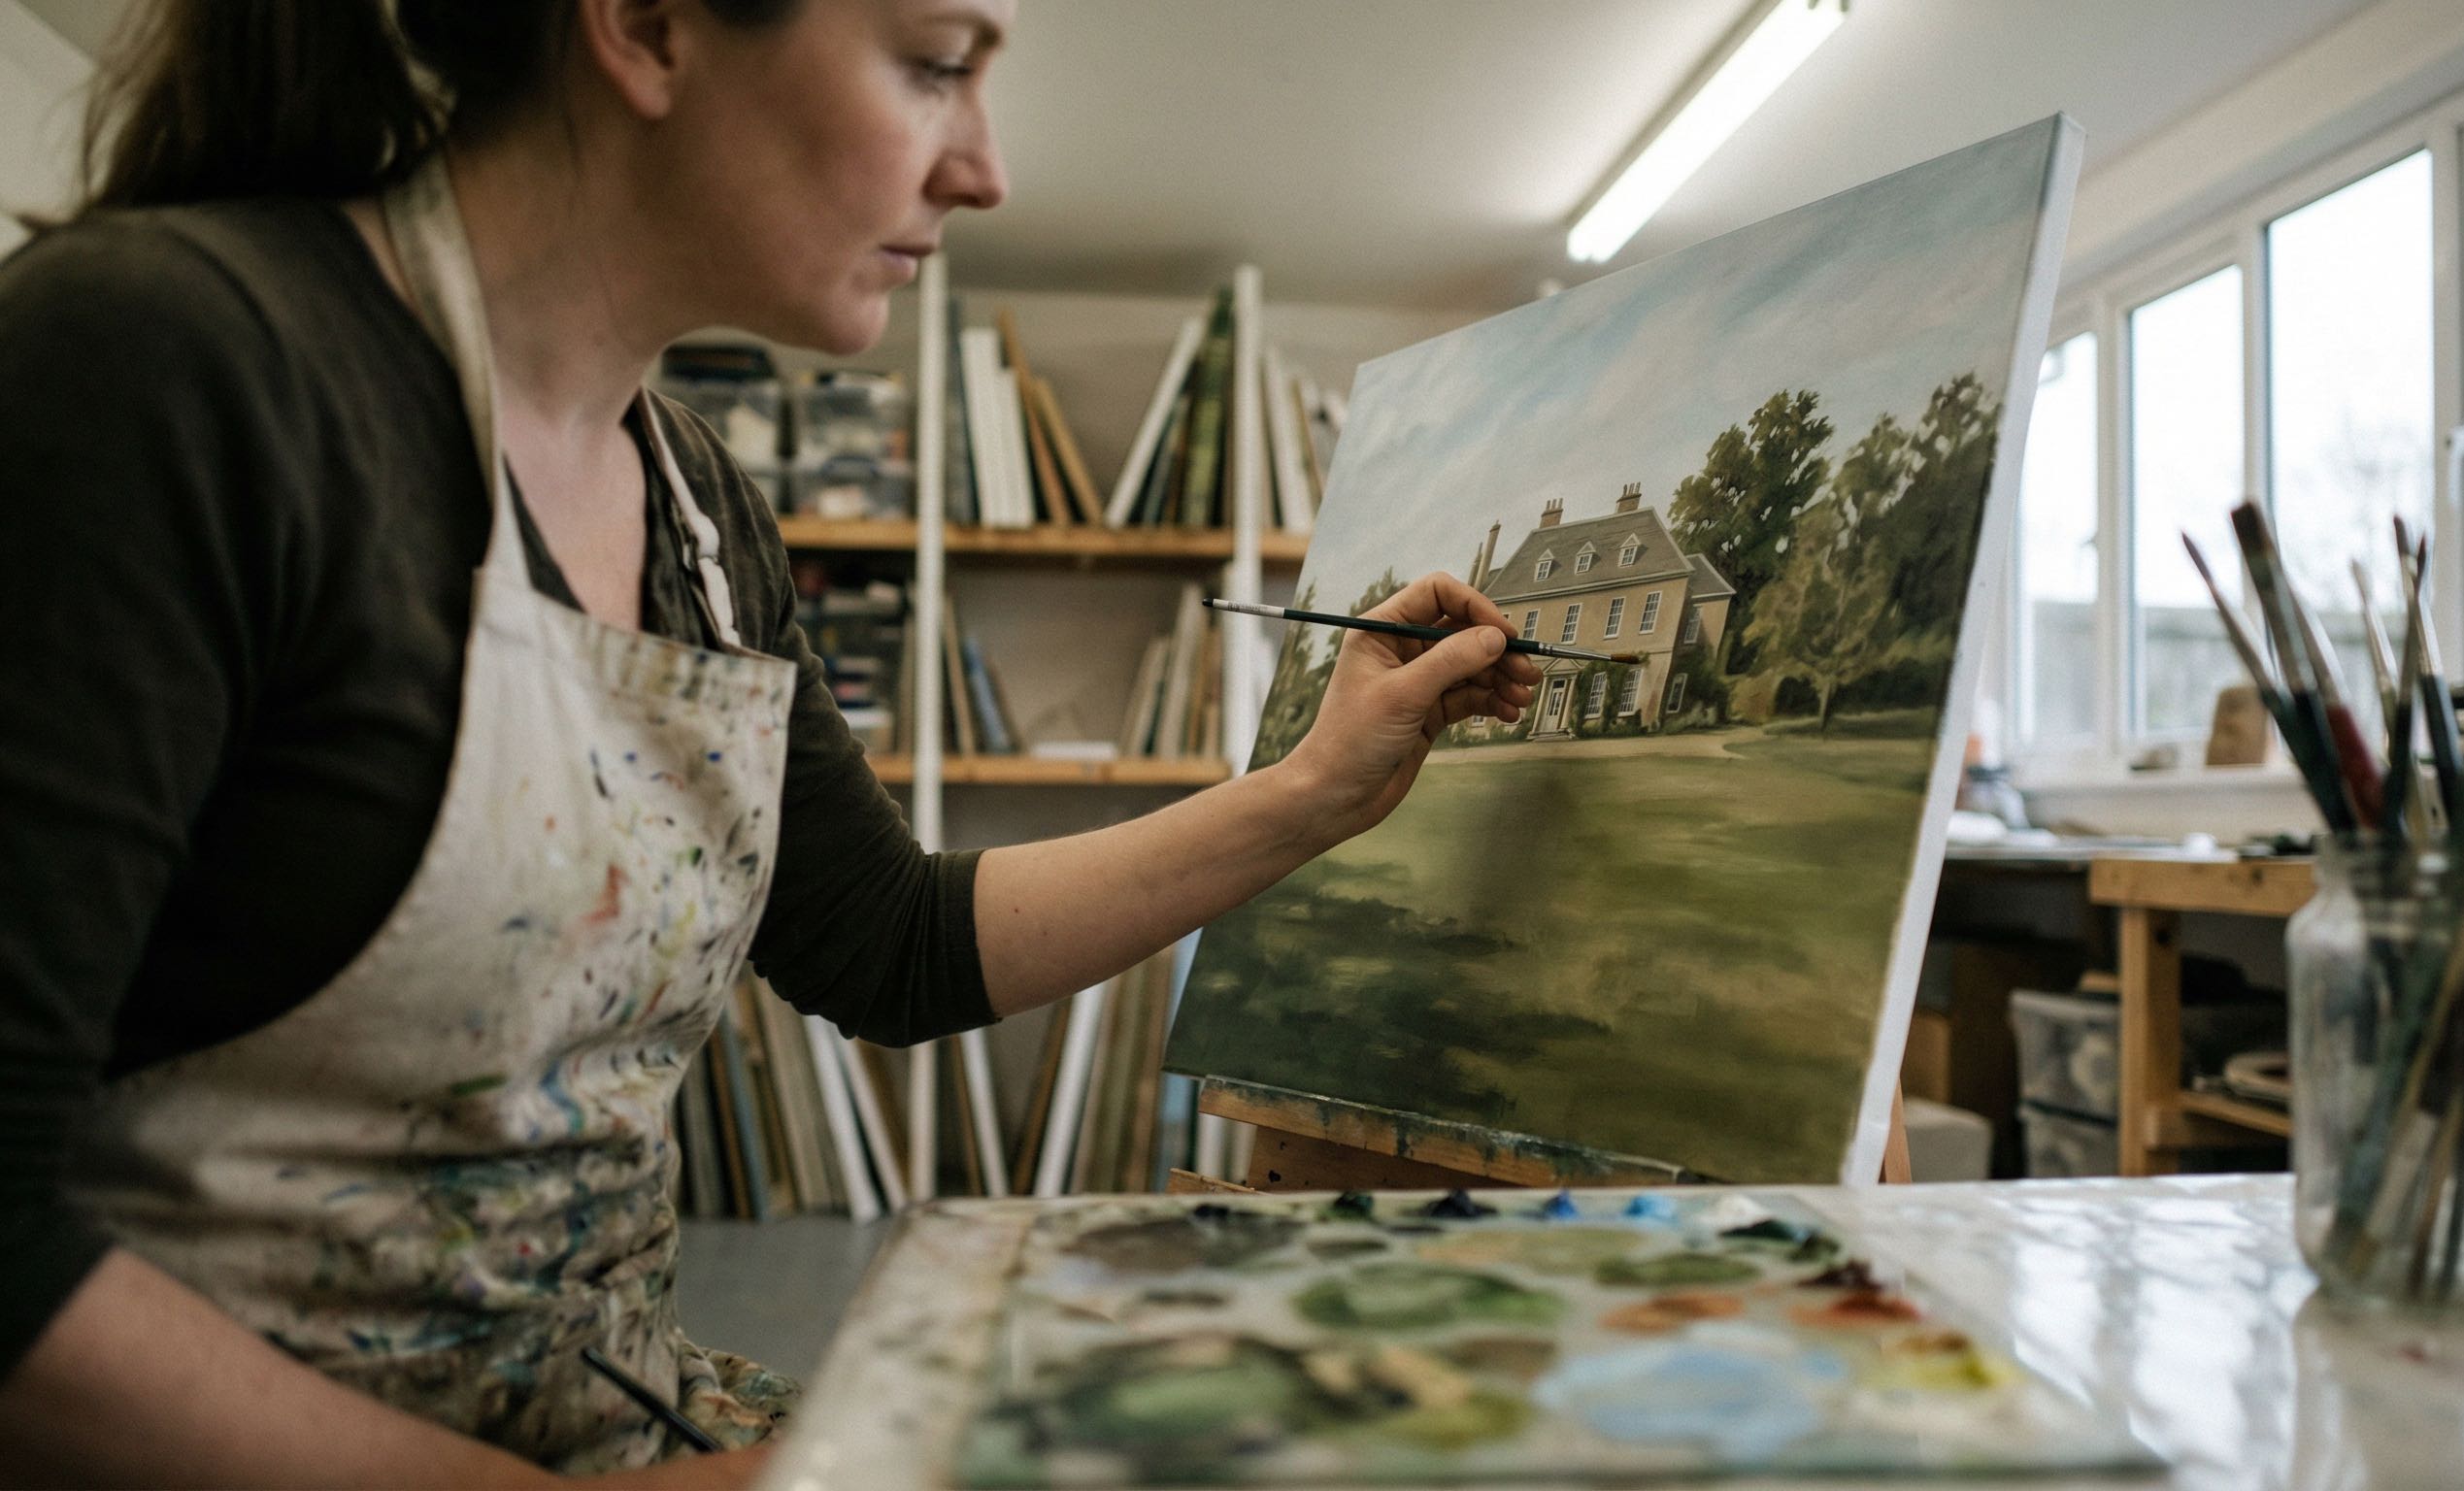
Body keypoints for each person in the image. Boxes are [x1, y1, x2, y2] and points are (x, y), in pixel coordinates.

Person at [0, 0, 1539, 1482]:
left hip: (611, 1417)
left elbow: (891, 942)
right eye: (938, 64)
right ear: (651, 25)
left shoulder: (704, 513)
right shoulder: (172, 365)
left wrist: (1319, 789)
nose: (985, 167)